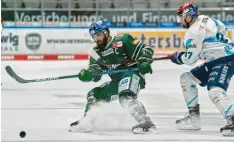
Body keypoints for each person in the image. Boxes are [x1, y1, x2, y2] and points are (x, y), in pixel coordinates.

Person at [69, 20, 156, 134]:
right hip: (116, 81)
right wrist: (88, 74)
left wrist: (144, 61)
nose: (97, 39)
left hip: (131, 74)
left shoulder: (123, 40)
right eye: (94, 36)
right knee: (94, 94)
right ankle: (88, 121)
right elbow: (95, 71)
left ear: (106, 32)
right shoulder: (95, 52)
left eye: (99, 34)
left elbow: (146, 49)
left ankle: (146, 123)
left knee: (125, 97)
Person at [171, 0, 234, 136]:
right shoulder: (206, 19)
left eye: (181, 17)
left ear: (188, 16)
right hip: (217, 58)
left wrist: (178, 57)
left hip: (224, 60)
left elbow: (190, 59)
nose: (179, 20)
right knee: (187, 78)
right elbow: (223, 29)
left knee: (215, 91)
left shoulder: (193, 32)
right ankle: (194, 119)